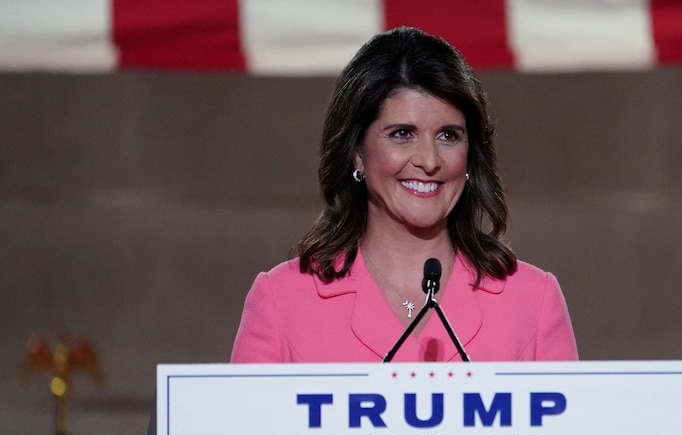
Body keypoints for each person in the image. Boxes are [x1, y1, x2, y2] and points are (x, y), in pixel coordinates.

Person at [231, 27, 577, 363]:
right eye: (401, 134)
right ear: (357, 153)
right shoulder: (282, 302)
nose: (428, 161)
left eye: (448, 136)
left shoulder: (533, 301)